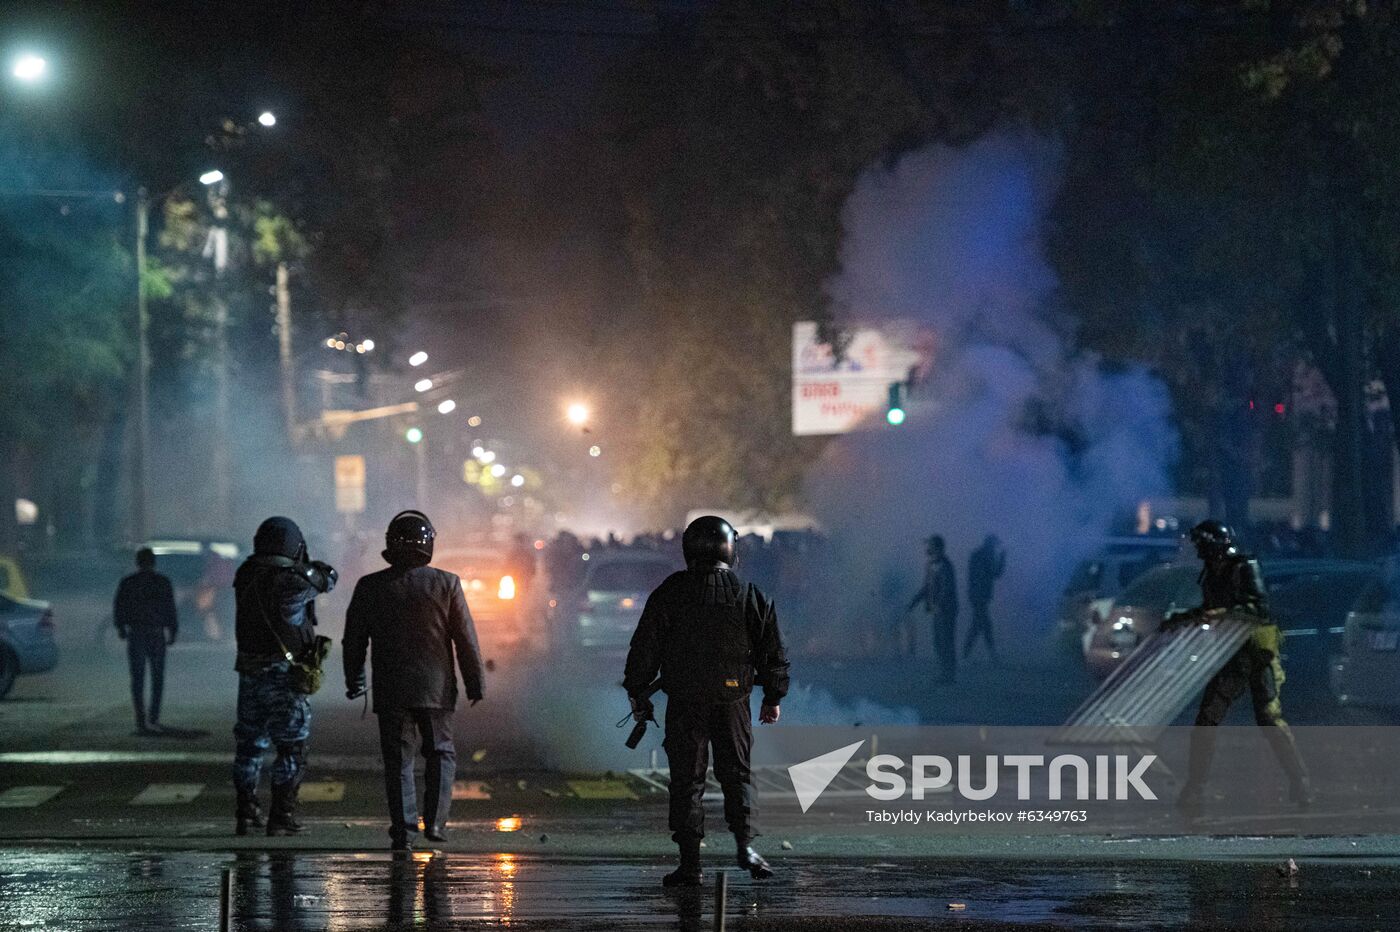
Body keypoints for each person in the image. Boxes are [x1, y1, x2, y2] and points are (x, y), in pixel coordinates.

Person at [623, 515, 790, 888]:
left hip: (685, 702)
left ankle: (690, 865)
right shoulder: (750, 592)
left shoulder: (671, 591)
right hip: (735, 701)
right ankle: (746, 849)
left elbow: (644, 649)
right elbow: (773, 650)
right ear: (730, 549)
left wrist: (637, 691)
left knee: (687, 782)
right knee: (738, 776)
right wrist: (773, 695)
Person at [344, 510, 485, 851]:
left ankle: (404, 831)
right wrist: (475, 683)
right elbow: (465, 638)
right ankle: (435, 823)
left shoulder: (370, 586)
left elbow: (354, 640)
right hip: (436, 690)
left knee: (399, 762)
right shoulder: (447, 583)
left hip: (392, 691)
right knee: (441, 753)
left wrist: (355, 680)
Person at [1167, 520, 1310, 814]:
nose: (1197, 550)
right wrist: (1184, 618)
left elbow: (1259, 609)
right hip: (1231, 654)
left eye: (1200, 544)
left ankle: (1300, 781)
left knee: (1269, 718)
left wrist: (1221, 614)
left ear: (1213, 544)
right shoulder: (1211, 574)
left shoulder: (1244, 566)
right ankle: (1196, 787)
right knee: (1207, 718)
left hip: (1257, 652)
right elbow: (1210, 608)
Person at [231, 516, 337, 836]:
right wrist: (304, 563)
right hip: (284, 676)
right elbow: (327, 579)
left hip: (249, 673)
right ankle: (281, 815)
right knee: (291, 748)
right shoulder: (290, 581)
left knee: (249, 746)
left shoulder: (245, 573)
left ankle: (246, 809)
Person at [113, 547, 178, 735]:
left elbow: (120, 606)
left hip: (137, 633)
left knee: (138, 678)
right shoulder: (163, 582)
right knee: (157, 677)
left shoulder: (128, 583)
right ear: (153, 562)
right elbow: (170, 608)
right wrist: (172, 631)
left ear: (137, 562)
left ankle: (140, 718)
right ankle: (154, 716)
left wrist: (121, 628)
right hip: (156, 633)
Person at [907, 535, 958, 683]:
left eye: (930, 546)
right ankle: (945, 673)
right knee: (938, 642)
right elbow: (926, 588)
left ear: (937, 548)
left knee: (946, 642)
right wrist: (914, 602)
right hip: (938, 610)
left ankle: (948, 675)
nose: (927, 548)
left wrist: (938, 605)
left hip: (946, 610)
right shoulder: (931, 565)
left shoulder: (945, 566)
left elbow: (946, 589)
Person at [964, 534, 1006, 660]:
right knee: (983, 625)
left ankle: (967, 653)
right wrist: (1002, 558)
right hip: (980, 596)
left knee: (980, 625)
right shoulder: (986, 556)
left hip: (976, 595)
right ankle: (971, 653)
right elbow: (996, 573)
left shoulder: (977, 555)